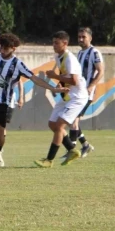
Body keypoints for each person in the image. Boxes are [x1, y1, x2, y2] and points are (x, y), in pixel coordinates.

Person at [0, 33, 66, 167]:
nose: (2, 50)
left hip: (2, 103)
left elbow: (34, 79)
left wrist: (53, 88)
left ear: (13, 48)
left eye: (5, 48)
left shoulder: (18, 64)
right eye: (1, 47)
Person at [34, 30, 89, 168]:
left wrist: (55, 77)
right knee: (52, 124)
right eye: (53, 42)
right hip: (67, 95)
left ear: (65, 43)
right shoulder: (59, 56)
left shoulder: (70, 58)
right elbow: (66, 76)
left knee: (59, 125)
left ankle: (49, 160)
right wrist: (60, 84)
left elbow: (75, 80)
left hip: (77, 97)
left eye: (56, 43)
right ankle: (72, 150)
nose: (54, 45)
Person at [61, 27, 104, 159]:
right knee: (72, 121)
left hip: (86, 93)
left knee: (73, 120)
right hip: (77, 92)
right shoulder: (79, 54)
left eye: (83, 37)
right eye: (79, 37)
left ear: (90, 38)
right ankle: (85, 145)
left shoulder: (94, 52)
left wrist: (91, 86)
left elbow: (101, 71)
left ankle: (71, 150)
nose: (80, 39)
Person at [0, 47, 24, 145]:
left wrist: (21, 97)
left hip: (8, 101)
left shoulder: (12, 67)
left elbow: (19, 81)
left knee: (1, 126)